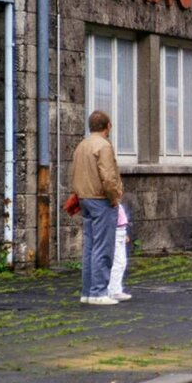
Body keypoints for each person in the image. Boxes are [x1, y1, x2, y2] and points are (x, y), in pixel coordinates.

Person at [72, 110, 124, 305]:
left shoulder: (82, 145)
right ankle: (99, 292)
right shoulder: (104, 146)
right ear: (107, 126)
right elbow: (109, 177)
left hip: (84, 198)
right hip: (101, 199)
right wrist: (114, 197)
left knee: (90, 247)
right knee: (103, 247)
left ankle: (87, 292)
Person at [107, 202, 132, 301]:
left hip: (120, 231)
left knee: (121, 262)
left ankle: (115, 289)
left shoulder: (116, 204)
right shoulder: (111, 203)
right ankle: (113, 290)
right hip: (116, 232)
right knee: (118, 263)